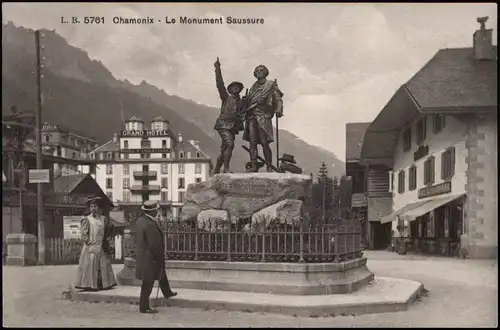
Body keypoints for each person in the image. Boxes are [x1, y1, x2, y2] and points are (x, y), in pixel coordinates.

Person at [134, 200, 177, 314]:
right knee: (148, 283)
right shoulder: (150, 224)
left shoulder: (140, 221)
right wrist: (160, 256)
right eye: (156, 210)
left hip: (143, 256)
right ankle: (144, 307)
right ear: (152, 211)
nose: (157, 211)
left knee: (156, 276)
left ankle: (167, 292)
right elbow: (154, 244)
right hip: (150, 257)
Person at [242, 64, 284, 172]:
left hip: (263, 117)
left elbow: (278, 99)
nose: (259, 72)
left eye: (261, 70)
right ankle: (254, 165)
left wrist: (279, 110)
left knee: (264, 142)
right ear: (254, 74)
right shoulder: (253, 88)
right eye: (257, 70)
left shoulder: (270, 85)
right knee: (252, 142)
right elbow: (249, 103)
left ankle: (269, 166)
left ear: (266, 72)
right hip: (252, 117)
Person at [75, 196, 117, 291]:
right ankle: (89, 284)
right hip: (90, 247)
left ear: (98, 208)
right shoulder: (87, 219)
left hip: (101, 246)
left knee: (102, 266)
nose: (93, 208)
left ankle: (103, 284)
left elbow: (106, 231)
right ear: (89, 208)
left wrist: (106, 242)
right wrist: (89, 242)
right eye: (91, 207)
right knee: (90, 266)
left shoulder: (103, 219)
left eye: (95, 206)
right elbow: (84, 234)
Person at [213, 57, 245, 174]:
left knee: (225, 148)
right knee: (230, 144)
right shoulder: (226, 97)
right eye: (233, 87)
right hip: (223, 124)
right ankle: (226, 169)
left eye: (238, 87)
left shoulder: (241, 101)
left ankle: (217, 168)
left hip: (233, 127)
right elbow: (219, 83)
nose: (236, 88)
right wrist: (217, 69)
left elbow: (242, 114)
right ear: (230, 90)